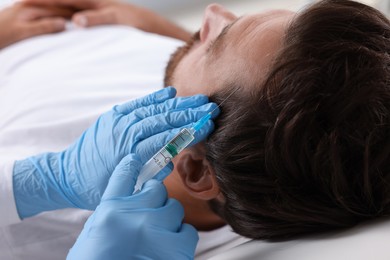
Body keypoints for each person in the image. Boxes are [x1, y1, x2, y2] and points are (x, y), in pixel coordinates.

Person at [2, 0, 390, 258]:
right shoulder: (253, 133)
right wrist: (169, 35)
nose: (212, 12)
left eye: (217, 41)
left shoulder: (59, 231)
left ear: (196, 170)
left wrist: (37, 181)